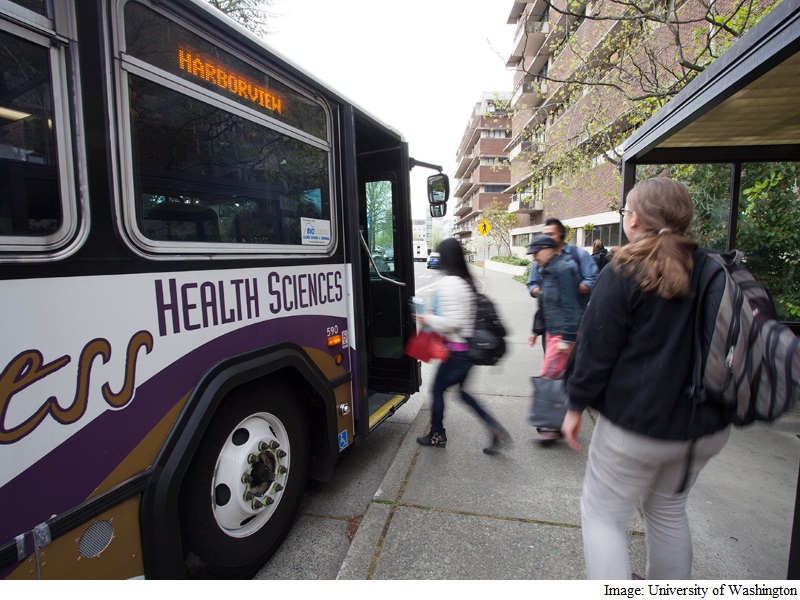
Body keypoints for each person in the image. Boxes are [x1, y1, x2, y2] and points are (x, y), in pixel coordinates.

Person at [562, 177, 731, 580]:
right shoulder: (715, 267)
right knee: (669, 510)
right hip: (706, 427)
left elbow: (595, 352)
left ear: (634, 220)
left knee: (602, 515)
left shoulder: (624, 269)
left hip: (638, 427)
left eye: (624, 213)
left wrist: (574, 405)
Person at [415, 238, 510, 455]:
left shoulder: (450, 283)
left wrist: (427, 319)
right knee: (463, 393)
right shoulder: (466, 281)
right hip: (466, 352)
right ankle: (495, 428)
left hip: (456, 353)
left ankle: (437, 434)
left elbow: (453, 323)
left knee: (437, 391)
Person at [526, 234, 584, 444]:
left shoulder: (565, 270)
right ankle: (558, 422)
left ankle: (553, 427)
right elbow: (544, 304)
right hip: (553, 333)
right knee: (555, 378)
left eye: (536, 253)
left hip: (563, 334)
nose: (534, 258)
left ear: (550, 250)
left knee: (550, 377)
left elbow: (572, 306)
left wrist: (567, 338)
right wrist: (536, 331)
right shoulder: (548, 271)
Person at [526, 217, 598, 304]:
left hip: (575, 313)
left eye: (550, 234)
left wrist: (567, 289)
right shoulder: (539, 259)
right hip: (547, 314)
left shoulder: (579, 254)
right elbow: (532, 284)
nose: (546, 238)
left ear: (561, 234)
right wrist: (545, 292)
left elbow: (592, 280)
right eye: (544, 235)